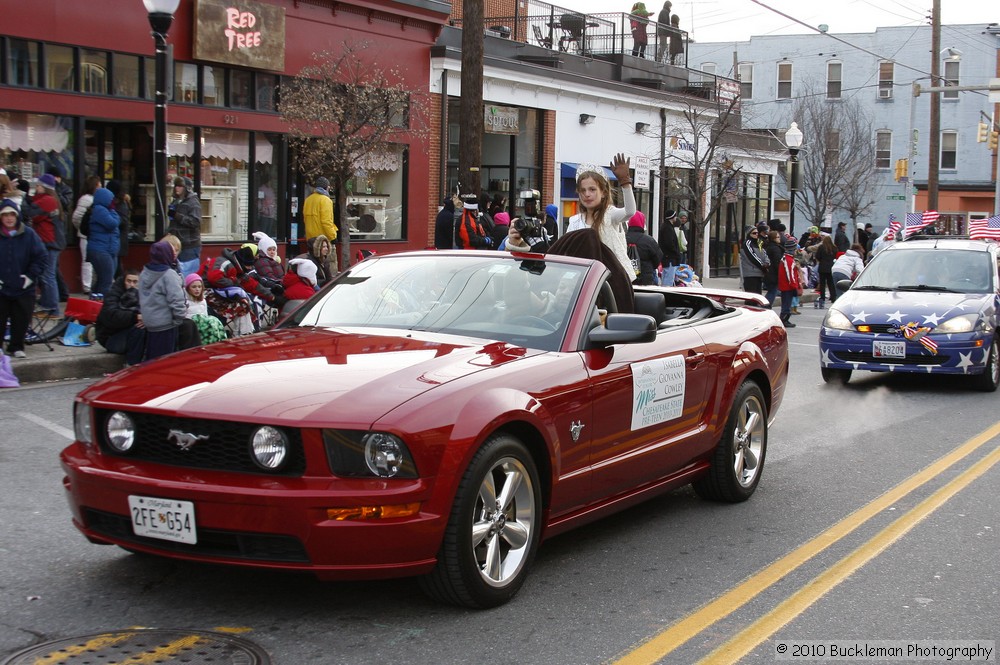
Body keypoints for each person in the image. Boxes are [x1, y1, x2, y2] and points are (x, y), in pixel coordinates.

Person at [567, 154, 636, 282]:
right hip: (585, 281)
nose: (587, 194)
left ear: (603, 192)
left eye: (592, 189)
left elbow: (630, 211)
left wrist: (625, 183)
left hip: (614, 281)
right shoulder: (574, 222)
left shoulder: (610, 214)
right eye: (583, 190)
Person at [0, 199, 47, 359]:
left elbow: (41, 257)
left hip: (24, 287)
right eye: (5, 215)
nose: (8, 218)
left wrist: (30, 277)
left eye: (11, 214)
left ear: (17, 215)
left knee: (21, 319)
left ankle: (16, 346)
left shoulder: (28, 234)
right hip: (2, 287)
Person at [138, 240, 188, 361]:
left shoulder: (145, 272)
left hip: (151, 323)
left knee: (153, 358)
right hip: (166, 324)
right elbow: (177, 299)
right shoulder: (168, 274)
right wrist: (179, 318)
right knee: (165, 360)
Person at [25, 173, 65, 318]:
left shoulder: (47, 200)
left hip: (49, 241)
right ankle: (48, 305)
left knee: (48, 275)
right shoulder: (52, 199)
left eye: (39, 185)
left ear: (45, 187)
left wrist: (25, 198)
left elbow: (31, 213)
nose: (36, 188)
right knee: (48, 274)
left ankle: (52, 308)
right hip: (50, 241)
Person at [95, 269, 146, 367]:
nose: (131, 285)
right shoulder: (113, 294)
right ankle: (132, 364)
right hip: (111, 338)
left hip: (129, 333)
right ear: (124, 281)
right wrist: (136, 317)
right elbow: (111, 316)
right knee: (139, 329)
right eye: (129, 281)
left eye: (135, 282)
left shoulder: (143, 295)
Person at [84, 187, 120, 297]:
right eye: (111, 199)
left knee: (102, 278)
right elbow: (112, 223)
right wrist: (113, 212)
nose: (113, 202)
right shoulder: (99, 209)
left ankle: (94, 301)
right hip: (100, 248)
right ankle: (104, 304)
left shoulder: (105, 210)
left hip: (107, 248)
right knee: (107, 280)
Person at [167, 176, 203, 277]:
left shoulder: (193, 202)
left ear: (186, 188)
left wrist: (177, 216)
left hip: (189, 246)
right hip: (176, 245)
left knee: (188, 277)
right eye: (176, 186)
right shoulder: (176, 201)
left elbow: (195, 222)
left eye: (180, 186)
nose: (176, 188)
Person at [71, 176, 101, 295]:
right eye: (98, 185)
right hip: (87, 235)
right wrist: (85, 229)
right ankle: (87, 285)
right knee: (87, 260)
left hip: (92, 235)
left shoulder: (93, 199)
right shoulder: (87, 199)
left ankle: (91, 284)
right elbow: (77, 217)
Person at [302, 177, 338, 270]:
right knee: (329, 267)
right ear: (326, 187)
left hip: (311, 239)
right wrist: (333, 237)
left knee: (314, 267)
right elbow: (326, 221)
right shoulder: (325, 200)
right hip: (323, 240)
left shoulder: (308, 200)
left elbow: (305, 219)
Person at [183, 273, 227, 344]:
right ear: (188, 288)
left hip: (204, 327)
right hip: (192, 328)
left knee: (215, 321)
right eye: (194, 287)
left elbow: (205, 315)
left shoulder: (203, 301)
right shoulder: (184, 301)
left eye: (199, 287)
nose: (197, 289)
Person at [626, 212, 663, 285]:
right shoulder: (649, 240)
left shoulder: (622, 238)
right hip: (645, 277)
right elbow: (658, 258)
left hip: (627, 277)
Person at [106, 179, 131, 273]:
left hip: (119, 238)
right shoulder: (117, 202)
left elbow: (122, 221)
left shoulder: (121, 204)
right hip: (116, 239)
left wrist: (110, 220)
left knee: (117, 266)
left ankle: (119, 283)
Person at [777, 236, 800, 328]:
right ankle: (784, 319)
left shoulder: (786, 258)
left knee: (786, 302)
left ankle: (785, 318)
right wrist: (794, 285)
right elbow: (790, 274)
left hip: (786, 285)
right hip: (787, 286)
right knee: (786, 303)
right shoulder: (788, 259)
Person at [739, 225, 768, 294]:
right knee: (751, 296)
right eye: (754, 233)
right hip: (750, 274)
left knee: (758, 295)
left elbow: (764, 254)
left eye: (757, 233)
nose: (756, 235)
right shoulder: (747, 243)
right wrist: (762, 266)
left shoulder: (759, 243)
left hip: (759, 273)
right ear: (749, 234)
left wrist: (767, 263)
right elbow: (752, 257)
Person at [812, 235, 838, 308]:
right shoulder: (834, 248)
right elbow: (835, 256)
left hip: (822, 267)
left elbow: (817, 256)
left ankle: (822, 297)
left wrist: (821, 260)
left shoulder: (821, 247)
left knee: (822, 283)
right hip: (831, 267)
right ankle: (833, 297)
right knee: (831, 283)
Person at [658, 210, 681, 287]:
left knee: (666, 277)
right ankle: (666, 295)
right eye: (675, 216)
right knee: (668, 279)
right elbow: (669, 243)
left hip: (667, 257)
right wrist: (676, 252)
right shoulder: (668, 228)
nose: (676, 217)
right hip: (670, 258)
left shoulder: (666, 227)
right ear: (671, 217)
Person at [762, 230, 784, 306]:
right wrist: (780, 273)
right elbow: (777, 262)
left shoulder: (769, 247)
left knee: (772, 291)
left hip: (769, 273)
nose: (779, 238)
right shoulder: (775, 248)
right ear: (773, 238)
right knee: (772, 291)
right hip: (773, 274)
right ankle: (766, 306)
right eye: (777, 237)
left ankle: (765, 305)